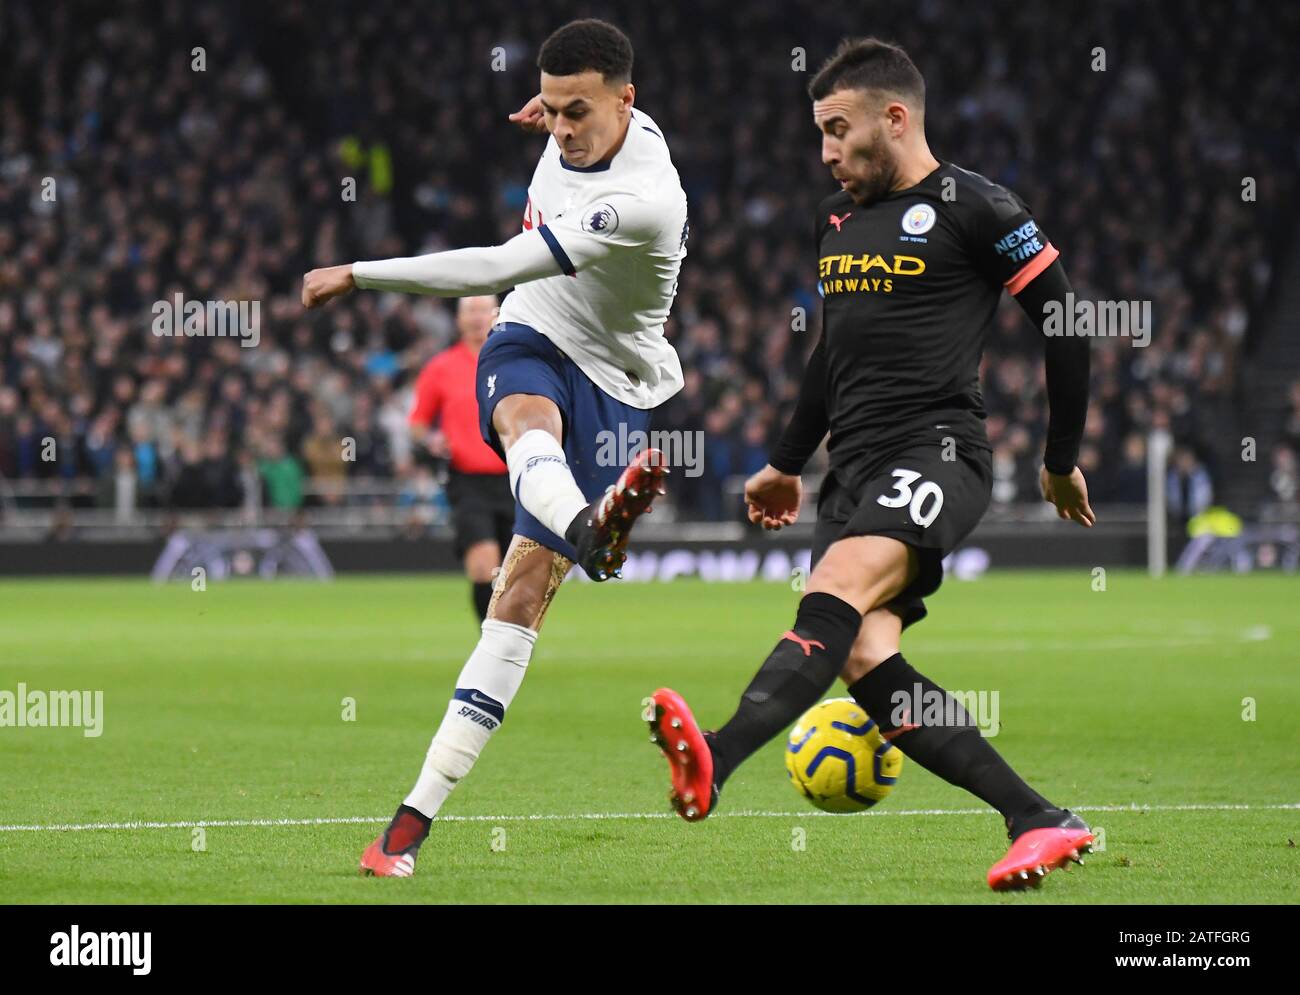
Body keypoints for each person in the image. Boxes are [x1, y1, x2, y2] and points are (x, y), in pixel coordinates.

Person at [647, 38, 1096, 891]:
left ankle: (717, 754)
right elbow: (832, 349)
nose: (824, 152)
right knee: (865, 659)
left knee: (840, 589)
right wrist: (786, 462)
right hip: (850, 469)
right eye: (818, 133)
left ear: (895, 119)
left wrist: (1060, 457)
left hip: (939, 449)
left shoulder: (979, 207)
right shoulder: (836, 221)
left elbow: (1066, 320)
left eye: (836, 130)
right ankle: (1039, 818)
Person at [302, 18, 689, 877]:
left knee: (516, 601)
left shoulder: (645, 196)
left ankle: (420, 808)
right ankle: (404, 829)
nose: (558, 128)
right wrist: (555, 109)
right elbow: (508, 289)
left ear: (626, 104)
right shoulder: (596, 116)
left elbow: (487, 267)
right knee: (520, 416)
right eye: (549, 109)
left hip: (619, 382)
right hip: (533, 332)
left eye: (574, 112)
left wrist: (360, 272)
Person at [409, 295, 514, 621]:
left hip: (515, 479)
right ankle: (492, 642)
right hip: (468, 482)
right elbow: (417, 425)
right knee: (485, 565)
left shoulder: (515, 360)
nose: (477, 317)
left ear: (497, 315)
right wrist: (431, 439)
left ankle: (512, 638)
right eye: (470, 310)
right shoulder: (440, 367)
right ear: (459, 319)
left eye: (484, 310)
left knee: (513, 571)